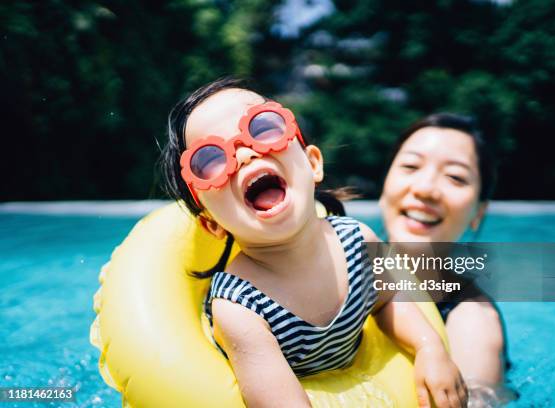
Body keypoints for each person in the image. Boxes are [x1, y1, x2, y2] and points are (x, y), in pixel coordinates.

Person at [160, 78, 467, 408]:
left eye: (261, 127)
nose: (247, 154)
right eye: (210, 159)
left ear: (312, 163)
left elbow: (390, 301)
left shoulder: (358, 241)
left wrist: (429, 348)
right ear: (211, 224)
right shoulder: (238, 306)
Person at [379, 113, 514, 405]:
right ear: (385, 183)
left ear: (479, 212)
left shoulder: (471, 321)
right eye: (410, 166)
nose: (426, 189)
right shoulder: (332, 265)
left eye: (455, 176)